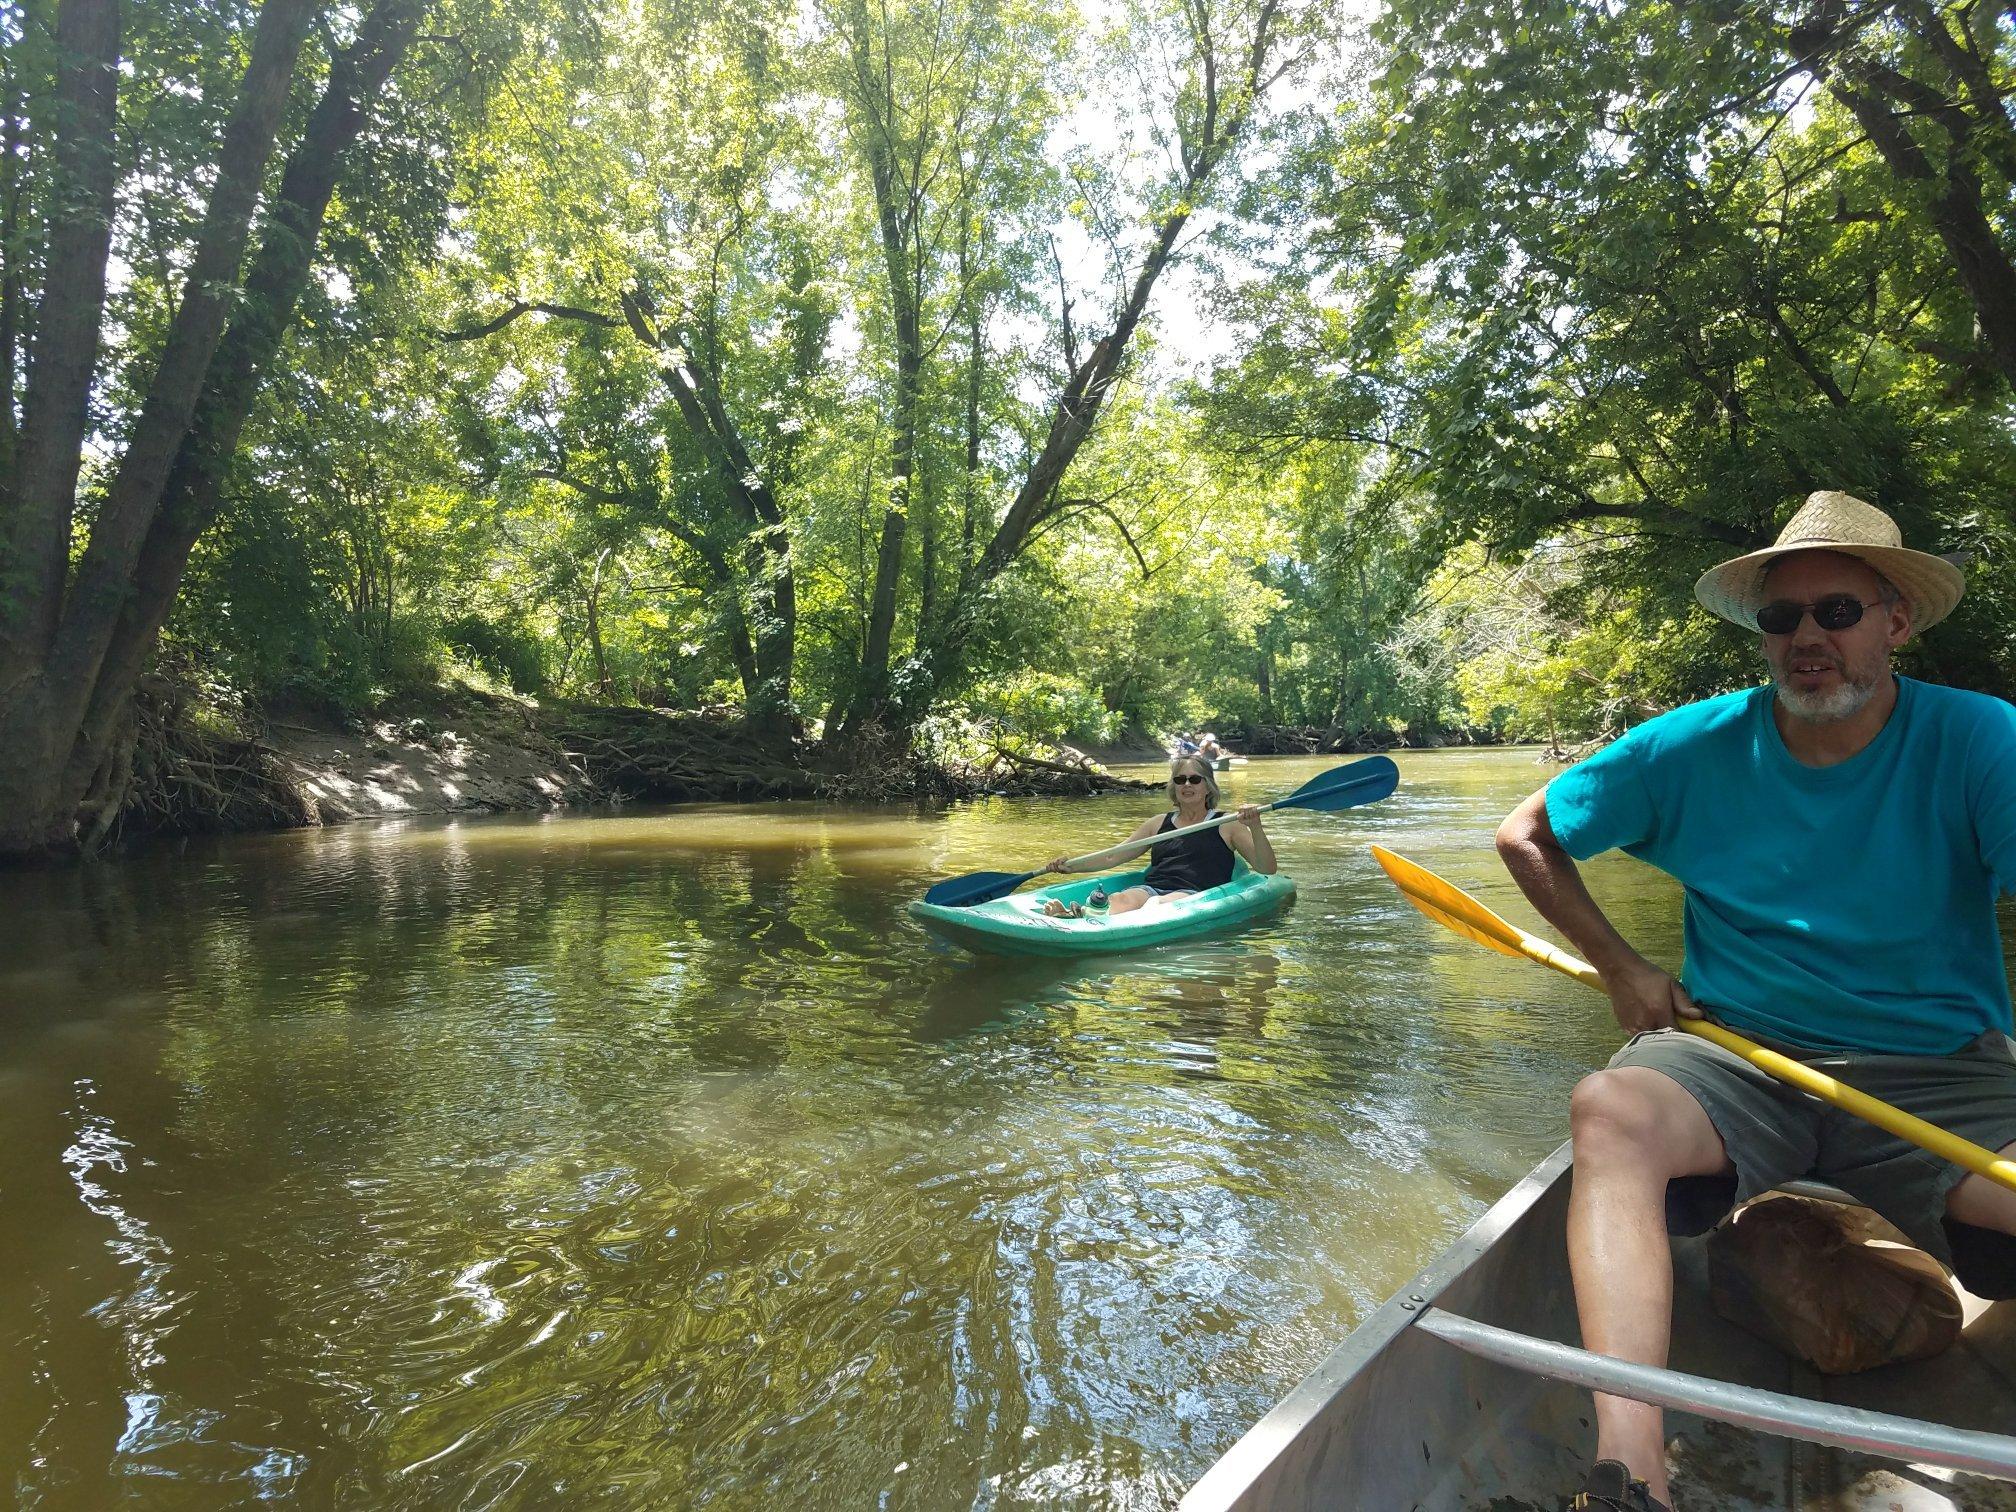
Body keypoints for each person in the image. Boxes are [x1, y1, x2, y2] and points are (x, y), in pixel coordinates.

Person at [1492, 491, 2016, 1512]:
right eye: (1783, 619)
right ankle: (1630, 1470)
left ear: (1894, 621)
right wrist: (1620, 967)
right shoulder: (1693, 746)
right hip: (1734, 1054)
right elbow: (1528, 833)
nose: (1807, 638)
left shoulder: (1983, 740)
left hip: (1937, 1071)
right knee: (1610, 1109)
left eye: (1837, 612)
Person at [1042, 754, 1275, 916]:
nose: (1186, 784)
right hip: (1153, 888)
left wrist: (1255, 827)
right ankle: (1074, 915)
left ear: (1208, 787)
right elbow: (1112, 857)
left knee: (1157, 904)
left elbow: (1266, 868)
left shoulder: (1228, 824)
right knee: (1123, 899)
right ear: (1173, 786)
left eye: (1194, 779)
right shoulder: (1157, 824)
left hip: (1195, 895)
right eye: (1180, 779)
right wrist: (1071, 866)